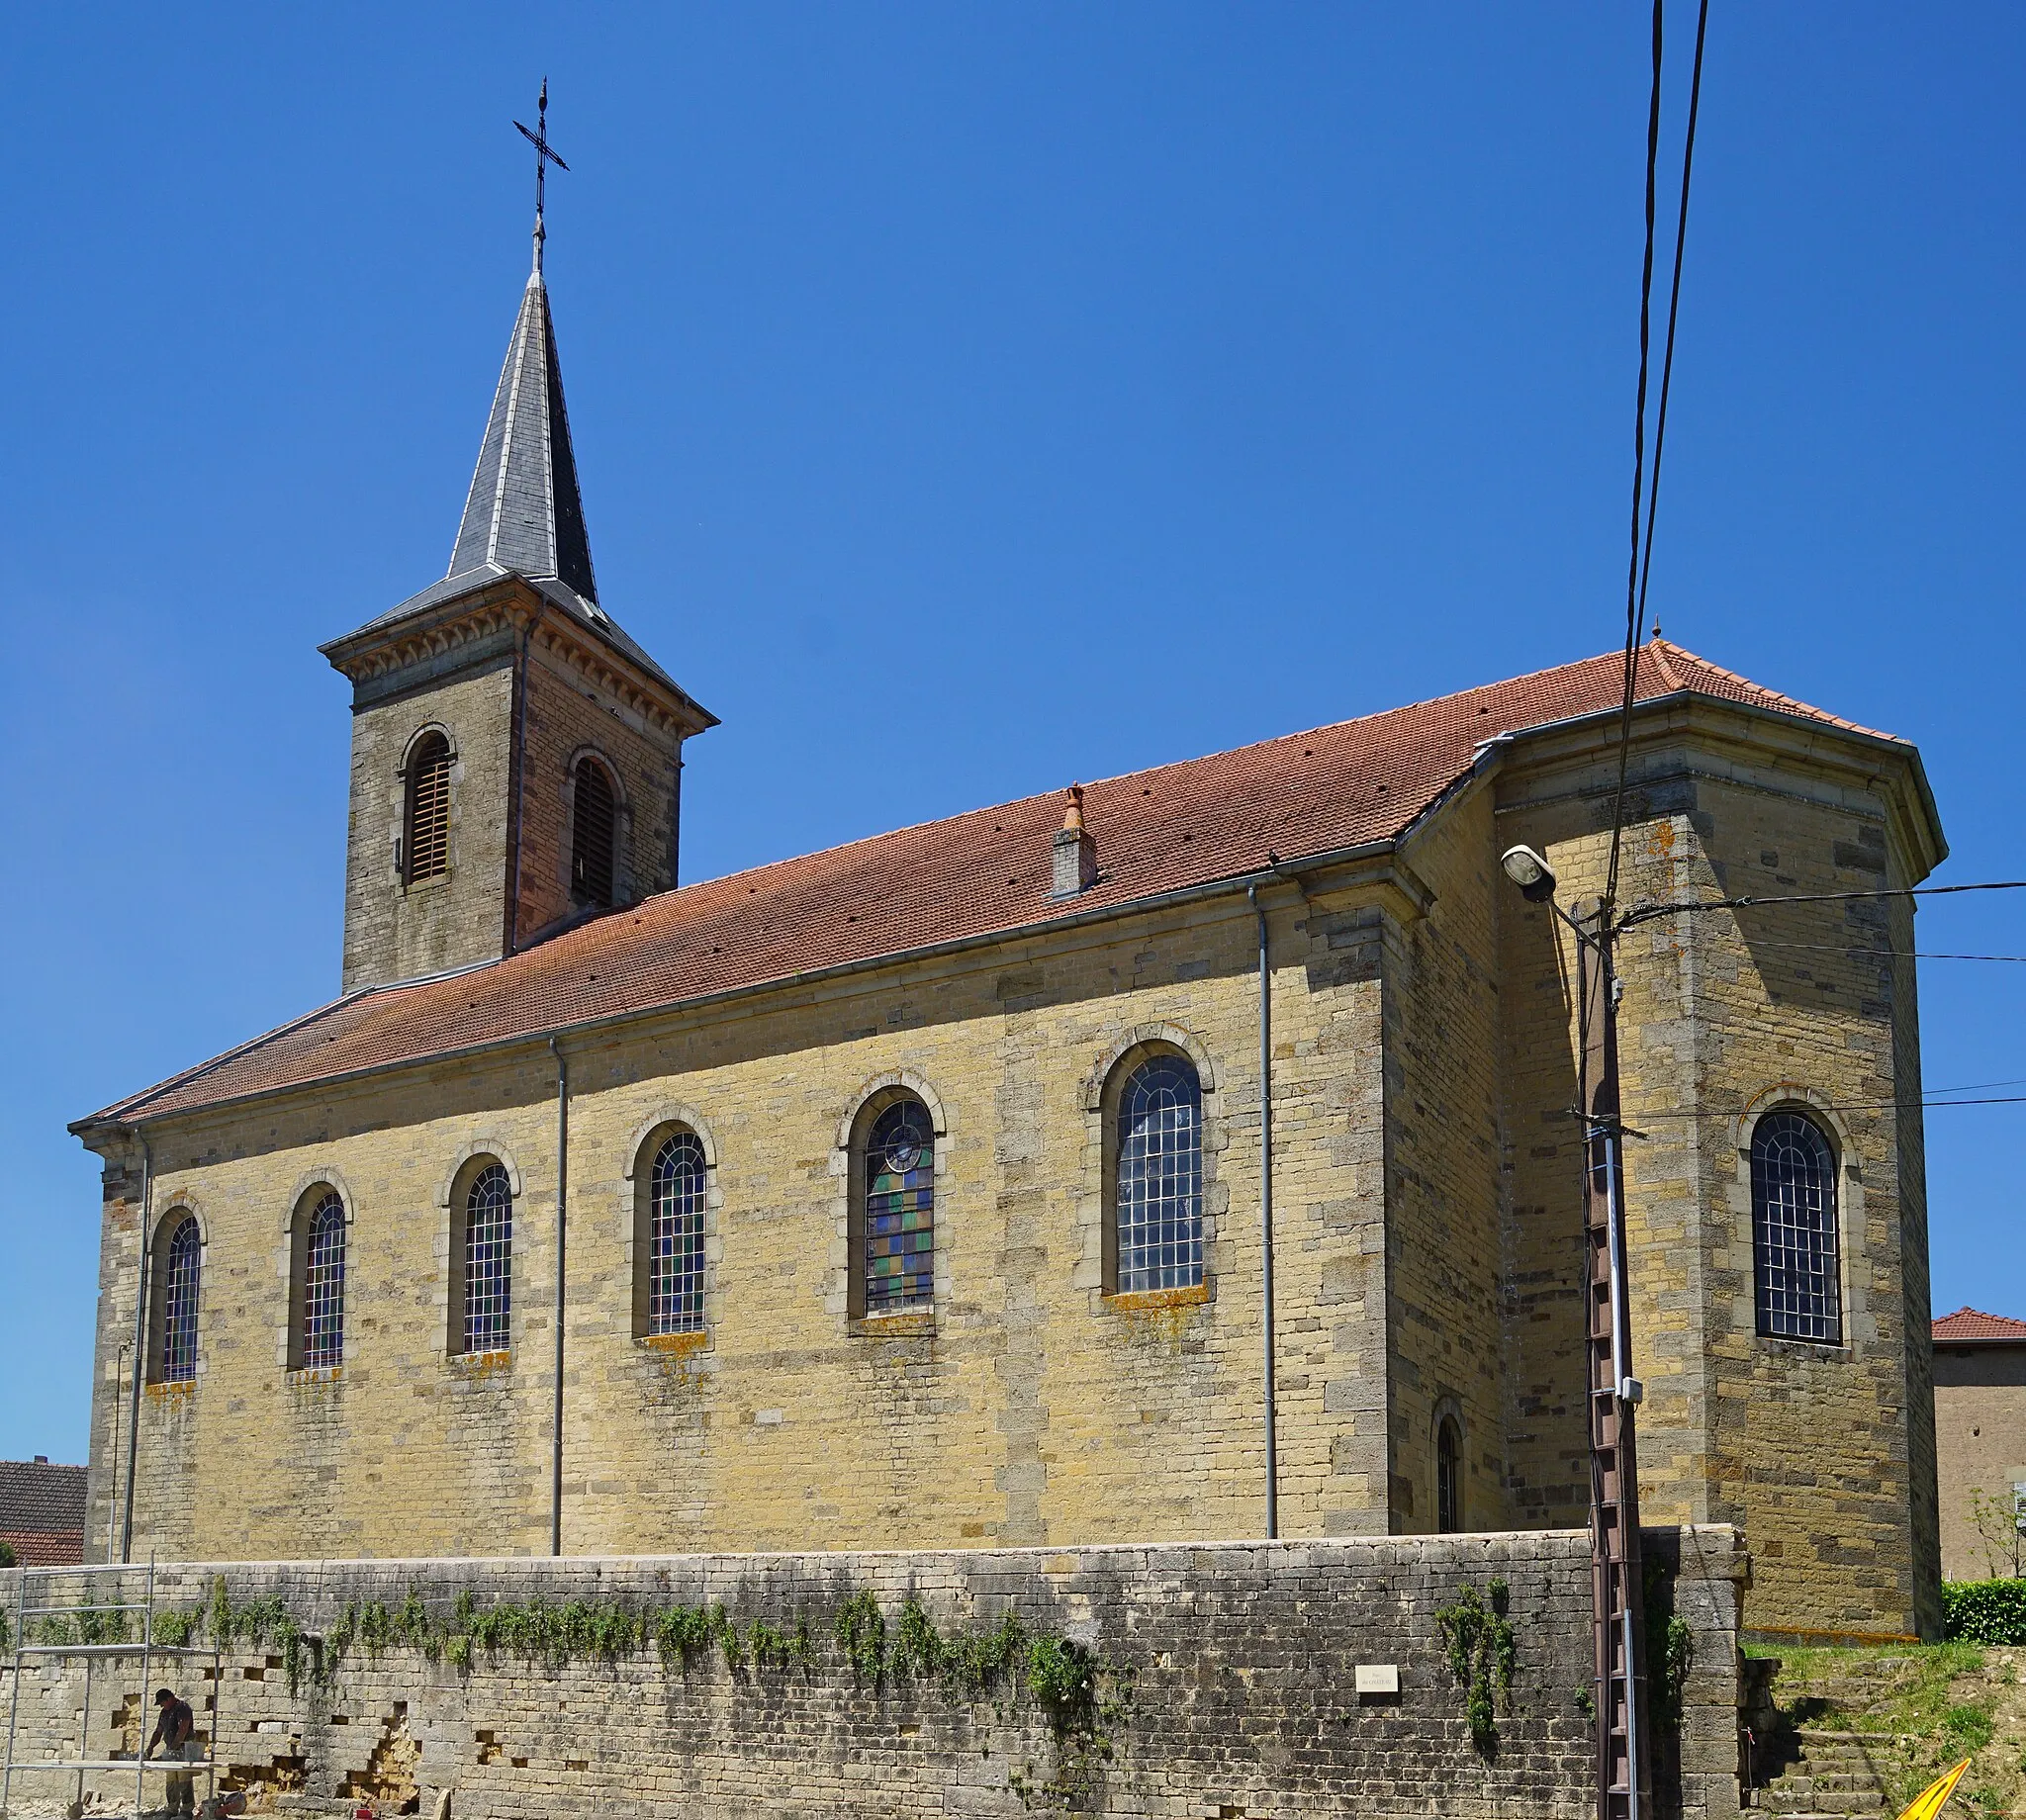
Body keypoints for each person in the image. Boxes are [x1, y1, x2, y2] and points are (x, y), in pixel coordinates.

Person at [145, 1685, 199, 1817]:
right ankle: (172, 1808)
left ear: (169, 1699)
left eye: (163, 1702)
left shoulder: (182, 1708)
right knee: (171, 1780)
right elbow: (159, 1731)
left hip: (184, 1748)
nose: (162, 1706)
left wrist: (174, 1746)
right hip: (171, 1750)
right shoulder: (164, 1713)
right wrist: (150, 1747)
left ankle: (186, 1809)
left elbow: (183, 1729)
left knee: (183, 1778)